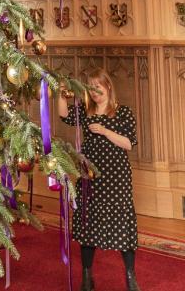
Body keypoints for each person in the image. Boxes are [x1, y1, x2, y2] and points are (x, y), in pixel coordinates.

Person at [57, 68, 140, 291]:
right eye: (91, 88)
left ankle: (131, 278)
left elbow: (129, 143)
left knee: (123, 224)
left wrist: (104, 130)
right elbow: (64, 115)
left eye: (98, 87)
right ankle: (87, 277)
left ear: (108, 86)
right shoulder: (86, 111)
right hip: (90, 175)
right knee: (89, 226)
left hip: (116, 178)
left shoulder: (122, 112)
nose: (94, 92)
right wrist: (60, 92)